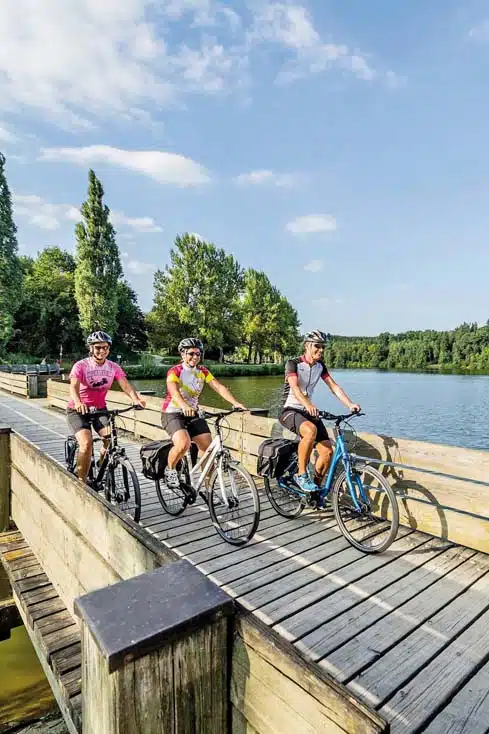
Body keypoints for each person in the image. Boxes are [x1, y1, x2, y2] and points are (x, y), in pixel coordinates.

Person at [278, 329, 361, 493]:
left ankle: (314, 490)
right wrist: (307, 404)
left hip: (308, 411)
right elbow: (295, 388)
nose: (321, 350)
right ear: (307, 346)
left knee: (327, 452)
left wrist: (350, 404)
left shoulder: (320, 367)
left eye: (323, 347)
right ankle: (301, 475)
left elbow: (334, 387)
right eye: (317, 346)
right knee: (310, 431)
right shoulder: (293, 364)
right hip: (289, 410)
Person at [161, 337, 246, 491]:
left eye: (198, 354)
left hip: (192, 413)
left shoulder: (203, 372)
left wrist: (235, 403)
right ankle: (170, 469)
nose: (195, 357)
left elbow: (218, 387)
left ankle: (209, 489)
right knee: (183, 444)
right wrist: (183, 405)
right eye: (191, 353)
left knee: (208, 449)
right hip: (173, 412)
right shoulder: (175, 371)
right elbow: (173, 391)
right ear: (183, 354)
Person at [66, 331, 146, 483]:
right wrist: (78, 402)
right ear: (91, 348)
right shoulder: (81, 366)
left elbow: (126, 386)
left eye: (105, 347)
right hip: (78, 410)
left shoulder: (113, 367)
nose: (102, 351)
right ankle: (82, 483)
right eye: (98, 348)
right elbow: (73, 387)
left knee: (110, 439)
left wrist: (136, 399)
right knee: (86, 443)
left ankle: (101, 464)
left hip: (100, 409)